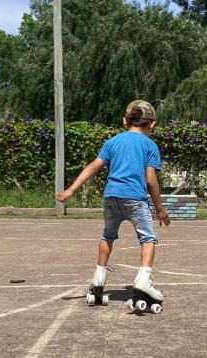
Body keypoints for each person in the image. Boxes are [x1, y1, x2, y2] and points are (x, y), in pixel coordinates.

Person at [56, 100, 171, 309]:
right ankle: (144, 279)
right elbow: (151, 180)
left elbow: (93, 166)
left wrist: (71, 190)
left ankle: (99, 279)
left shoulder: (113, 142)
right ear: (152, 124)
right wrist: (160, 208)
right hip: (135, 199)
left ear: (125, 121)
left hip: (111, 198)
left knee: (107, 236)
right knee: (148, 238)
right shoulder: (149, 145)